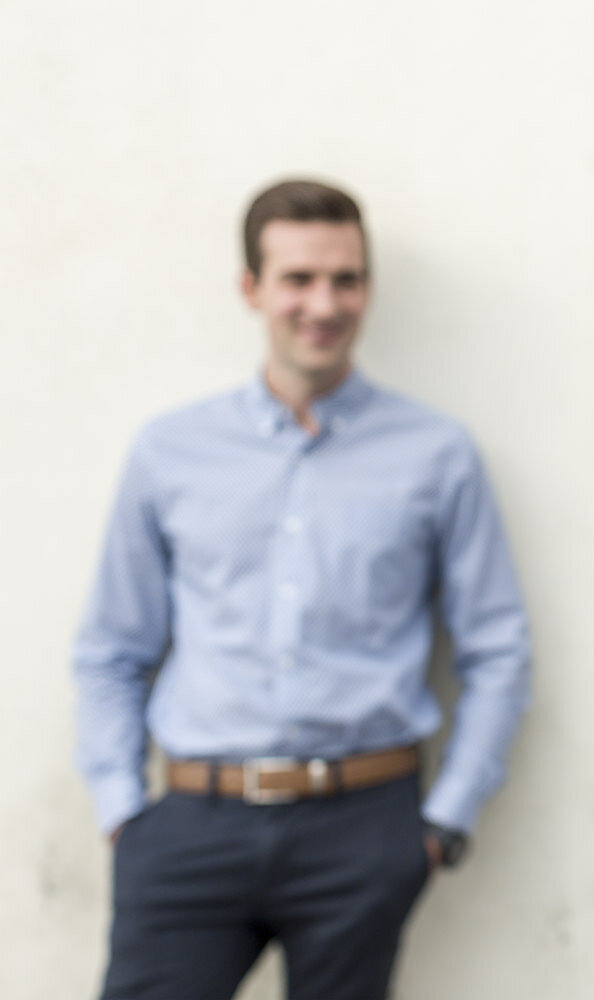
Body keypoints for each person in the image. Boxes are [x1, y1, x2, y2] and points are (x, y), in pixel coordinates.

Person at [74, 178, 531, 1000]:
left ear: (368, 289)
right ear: (252, 289)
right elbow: (113, 648)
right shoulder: (170, 452)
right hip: (191, 827)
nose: (323, 304)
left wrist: (442, 825)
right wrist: (122, 813)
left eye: (345, 279)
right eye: (298, 279)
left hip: (364, 828)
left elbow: (498, 651)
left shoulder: (437, 455)